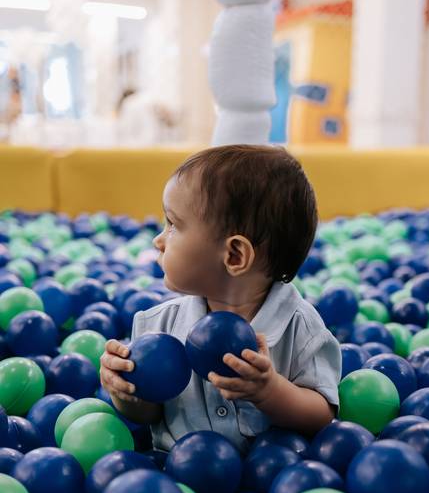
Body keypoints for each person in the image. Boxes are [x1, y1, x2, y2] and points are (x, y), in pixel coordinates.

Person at [100, 145, 341, 454]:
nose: (158, 240)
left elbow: (322, 416)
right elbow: (150, 415)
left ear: (234, 255)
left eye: (173, 224)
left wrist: (270, 391)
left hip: (272, 480)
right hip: (174, 477)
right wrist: (126, 392)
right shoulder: (157, 326)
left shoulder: (300, 328)